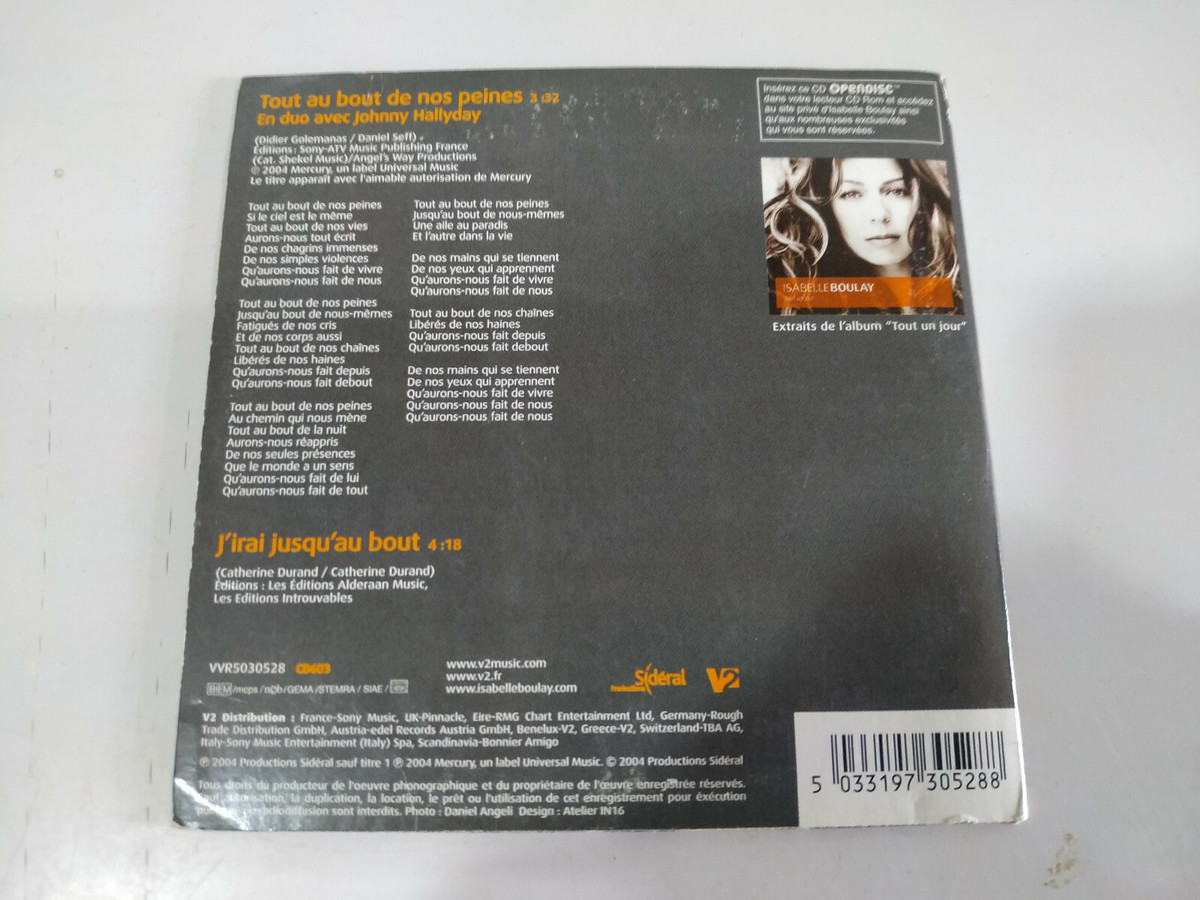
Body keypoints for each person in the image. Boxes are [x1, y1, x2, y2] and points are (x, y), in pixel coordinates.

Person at [763, 157, 960, 313]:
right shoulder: (797, 298)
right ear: (827, 208)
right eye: (851, 194)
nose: (879, 215)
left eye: (897, 191)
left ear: (925, 197)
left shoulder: (962, 287)